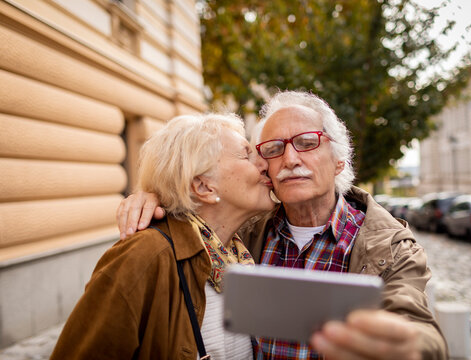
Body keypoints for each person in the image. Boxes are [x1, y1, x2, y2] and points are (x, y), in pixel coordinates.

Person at [117, 91, 448, 360]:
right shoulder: (239, 237)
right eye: (274, 149)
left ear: (339, 159)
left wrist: (411, 347)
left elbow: (418, 325)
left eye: (306, 142)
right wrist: (155, 195)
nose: (290, 159)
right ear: (266, 168)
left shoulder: (391, 248)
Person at [51, 113, 275, 360]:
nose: (264, 164)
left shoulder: (240, 253)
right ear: (203, 187)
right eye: (246, 154)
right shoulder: (143, 255)